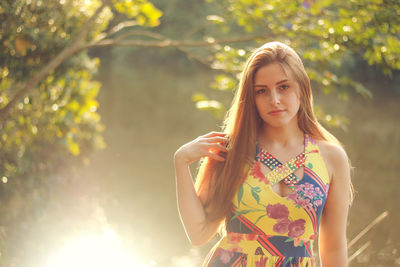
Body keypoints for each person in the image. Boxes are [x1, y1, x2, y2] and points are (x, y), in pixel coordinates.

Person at [174, 41, 351, 267]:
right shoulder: (232, 151)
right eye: (262, 91)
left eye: (284, 87)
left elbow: (334, 248)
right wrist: (180, 162)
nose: (274, 99)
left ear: (302, 89)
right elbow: (199, 234)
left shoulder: (331, 157)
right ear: (252, 97)